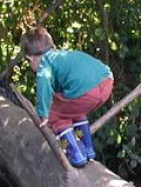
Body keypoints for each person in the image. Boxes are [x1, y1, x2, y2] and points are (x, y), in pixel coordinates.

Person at [21, 25, 113, 167]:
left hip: (86, 90)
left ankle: (75, 153)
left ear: (30, 58)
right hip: (106, 81)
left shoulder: (45, 63)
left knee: (55, 115)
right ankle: (87, 148)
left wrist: (43, 114)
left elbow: (44, 81)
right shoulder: (61, 57)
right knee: (73, 110)